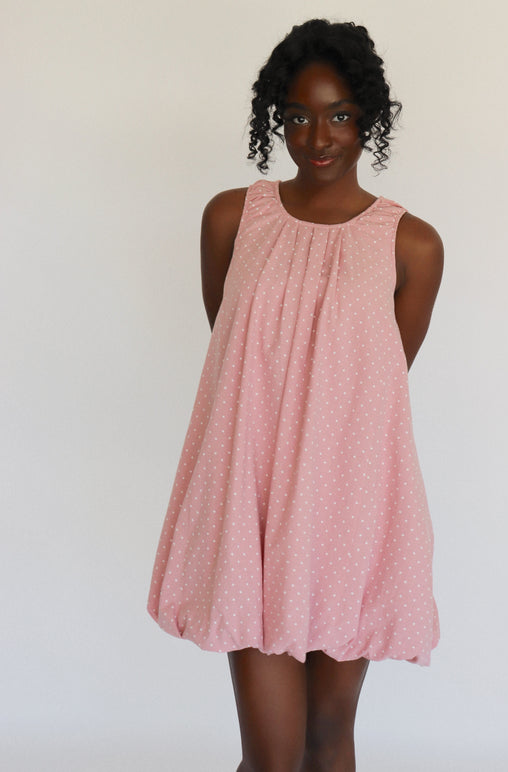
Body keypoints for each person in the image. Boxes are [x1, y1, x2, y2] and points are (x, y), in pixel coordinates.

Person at [147, 18, 443, 772]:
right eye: (299, 115)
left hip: (351, 514)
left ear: (368, 118)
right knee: (274, 756)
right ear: (275, 117)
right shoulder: (230, 219)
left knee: (327, 740)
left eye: (340, 114)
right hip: (252, 507)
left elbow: (375, 380)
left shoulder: (412, 245)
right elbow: (241, 353)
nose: (318, 136)